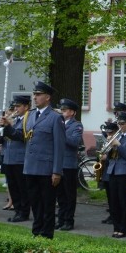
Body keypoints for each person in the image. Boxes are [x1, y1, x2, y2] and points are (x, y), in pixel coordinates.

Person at [2, 82, 65, 238]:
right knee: (35, 202)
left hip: (46, 168)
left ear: (47, 97)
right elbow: (21, 137)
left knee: (47, 203)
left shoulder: (55, 117)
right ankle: (36, 231)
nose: (35, 97)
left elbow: (59, 146)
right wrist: (7, 128)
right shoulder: (29, 116)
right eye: (34, 94)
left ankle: (46, 234)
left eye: (38, 94)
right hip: (30, 167)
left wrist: (56, 170)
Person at [104, 112, 126, 238]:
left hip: (123, 172)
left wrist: (118, 145)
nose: (120, 126)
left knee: (123, 202)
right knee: (114, 202)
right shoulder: (119, 136)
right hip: (112, 171)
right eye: (119, 124)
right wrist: (107, 149)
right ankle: (116, 227)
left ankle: (124, 229)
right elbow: (111, 156)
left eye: (122, 124)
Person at [0, 96, 32, 222]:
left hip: (20, 158)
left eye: (18, 106)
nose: (16, 109)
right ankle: (17, 210)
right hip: (9, 157)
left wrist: (8, 126)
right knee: (13, 186)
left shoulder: (27, 120)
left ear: (26, 107)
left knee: (22, 187)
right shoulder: (15, 119)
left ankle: (24, 212)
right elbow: (5, 137)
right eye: (15, 107)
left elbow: (20, 136)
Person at [56, 98, 84, 231]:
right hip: (58, 163)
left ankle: (69, 221)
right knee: (60, 195)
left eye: (65, 110)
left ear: (72, 112)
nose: (62, 112)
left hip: (69, 164)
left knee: (69, 195)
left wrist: (61, 133)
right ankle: (60, 219)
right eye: (61, 109)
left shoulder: (76, 125)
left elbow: (74, 142)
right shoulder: (58, 122)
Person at [99, 121, 119, 224]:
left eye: (110, 132)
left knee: (113, 196)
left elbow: (115, 157)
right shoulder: (107, 140)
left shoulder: (116, 140)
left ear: (115, 131)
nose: (108, 134)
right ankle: (111, 214)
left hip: (112, 171)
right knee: (109, 196)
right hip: (106, 171)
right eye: (107, 132)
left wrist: (106, 158)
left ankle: (115, 216)